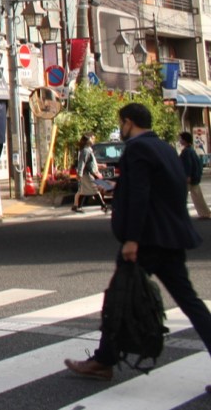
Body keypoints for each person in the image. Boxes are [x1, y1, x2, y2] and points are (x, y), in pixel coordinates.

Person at [65, 103, 211, 383]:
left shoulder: (138, 149)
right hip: (171, 237)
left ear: (129, 122)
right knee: (190, 302)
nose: (121, 129)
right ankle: (103, 360)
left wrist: (132, 239)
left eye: (122, 123)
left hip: (145, 241)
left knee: (118, 297)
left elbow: (139, 196)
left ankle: (103, 362)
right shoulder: (166, 148)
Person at [72, 134, 106, 213]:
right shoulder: (85, 150)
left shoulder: (88, 149)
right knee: (94, 189)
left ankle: (78, 207)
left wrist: (99, 166)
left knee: (85, 190)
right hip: (87, 173)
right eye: (92, 138)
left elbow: (91, 163)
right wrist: (79, 174)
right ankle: (103, 206)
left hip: (89, 173)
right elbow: (82, 162)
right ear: (88, 140)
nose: (94, 140)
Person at [182, 133, 210, 220]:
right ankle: (205, 213)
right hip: (194, 177)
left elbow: (188, 164)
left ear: (184, 140)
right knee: (197, 196)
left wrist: (188, 176)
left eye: (181, 139)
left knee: (181, 196)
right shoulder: (192, 150)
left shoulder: (186, 151)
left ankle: (181, 214)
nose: (180, 141)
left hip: (189, 178)